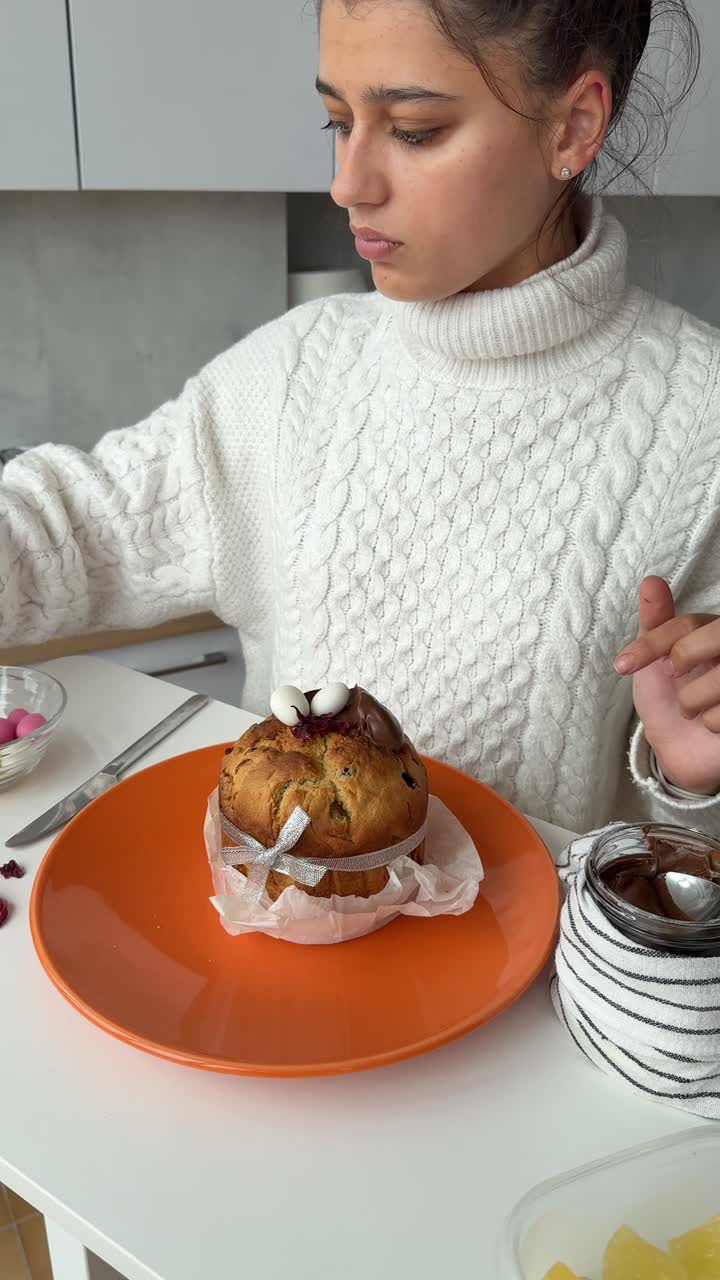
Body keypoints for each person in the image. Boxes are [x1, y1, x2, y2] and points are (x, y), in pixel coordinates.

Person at [1, 0, 719, 836]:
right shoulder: (294, 372)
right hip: (272, 946)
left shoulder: (699, 421)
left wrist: (693, 782)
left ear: (574, 127)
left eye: (413, 129)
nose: (349, 183)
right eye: (338, 121)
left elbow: (681, 861)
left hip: (540, 968)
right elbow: (75, 525)